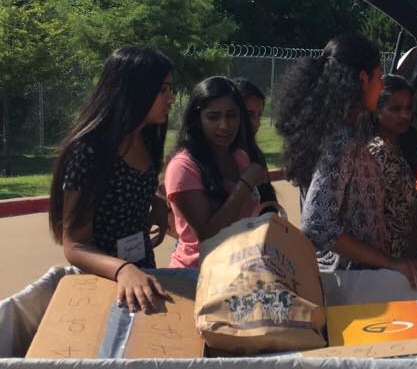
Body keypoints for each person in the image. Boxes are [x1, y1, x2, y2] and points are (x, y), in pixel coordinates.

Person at [274, 33, 417, 289]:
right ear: (363, 79)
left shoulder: (335, 130)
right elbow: (317, 224)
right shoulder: (341, 140)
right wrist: (391, 263)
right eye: (379, 77)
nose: (381, 86)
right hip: (350, 281)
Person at [48, 46, 175, 312]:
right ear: (135, 90)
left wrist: (154, 201)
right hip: (105, 284)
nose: (171, 99)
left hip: (142, 274)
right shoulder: (90, 151)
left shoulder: (148, 139)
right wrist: (123, 269)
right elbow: (75, 244)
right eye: (163, 89)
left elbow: (125, 186)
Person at [163, 76, 269, 268]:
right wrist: (245, 184)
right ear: (197, 119)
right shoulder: (183, 167)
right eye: (213, 117)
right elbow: (208, 236)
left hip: (241, 269)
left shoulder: (240, 157)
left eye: (232, 115)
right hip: (198, 275)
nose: (224, 125)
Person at [362, 74, 417, 260]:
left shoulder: (406, 146)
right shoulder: (376, 153)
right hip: (385, 256)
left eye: (408, 108)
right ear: (377, 111)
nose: (405, 115)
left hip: (408, 251)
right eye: (395, 109)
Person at [231, 77, 279, 213]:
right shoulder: (212, 158)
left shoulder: (256, 155)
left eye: (259, 115)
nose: (256, 123)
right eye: (249, 114)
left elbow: (269, 208)